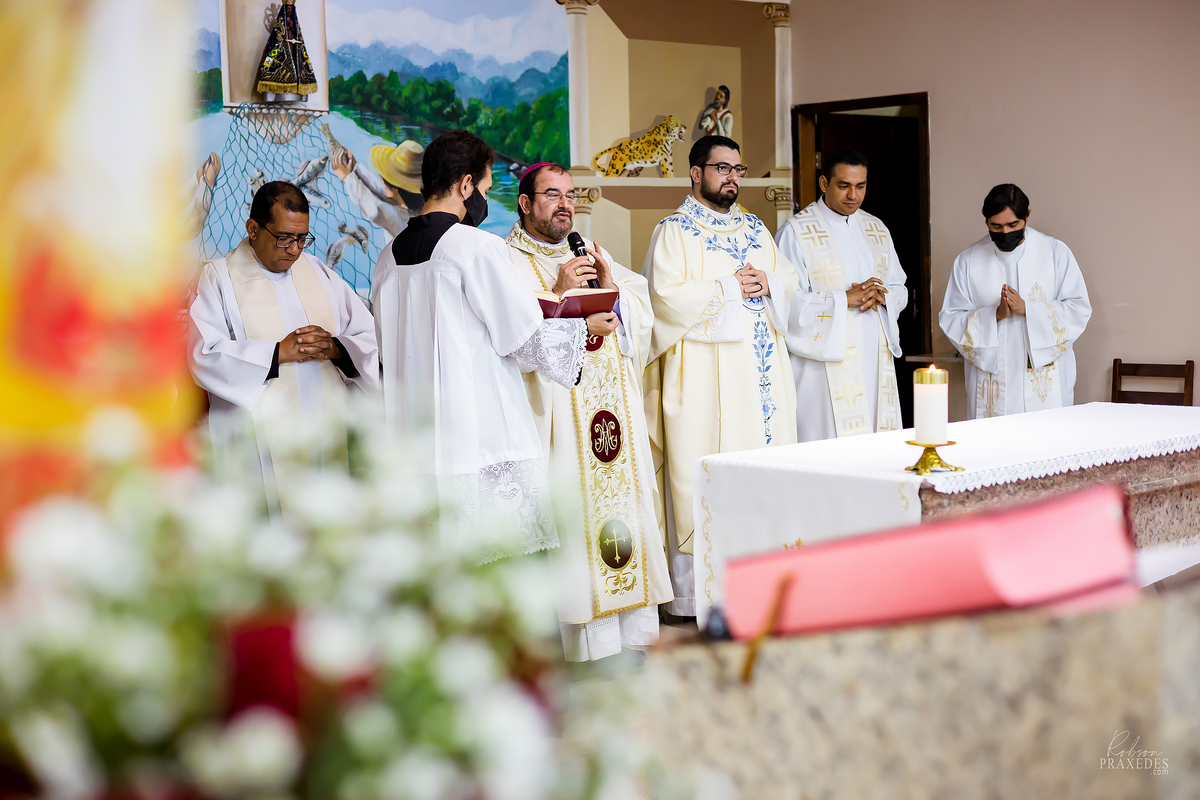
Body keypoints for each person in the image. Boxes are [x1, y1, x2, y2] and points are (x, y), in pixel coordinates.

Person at [373, 130, 594, 563]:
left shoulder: (389, 256)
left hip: (414, 439)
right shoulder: (475, 247)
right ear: (465, 185)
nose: (484, 199)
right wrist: (584, 325)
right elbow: (528, 339)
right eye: (487, 188)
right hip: (479, 437)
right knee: (498, 569)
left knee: (434, 568)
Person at [504, 162, 673, 661]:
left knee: (623, 511)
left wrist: (613, 294)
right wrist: (558, 294)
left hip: (611, 417)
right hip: (562, 424)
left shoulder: (590, 253)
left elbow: (639, 309)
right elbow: (512, 336)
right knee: (576, 518)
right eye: (552, 195)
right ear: (525, 202)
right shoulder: (507, 261)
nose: (565, 205)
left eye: (571, 195)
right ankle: (584, 646)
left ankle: (633, 636)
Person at [643, 135, 798, 616]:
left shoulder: (755, 227)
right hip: (703, 379)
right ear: (695, 173)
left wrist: (769, 283)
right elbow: (665, 298)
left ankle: (762, 586)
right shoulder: (673, 231)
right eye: (722, 168)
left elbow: (791, 280)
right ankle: (698, 597)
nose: (732, 176)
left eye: (738, 168)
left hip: (760, 375)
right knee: (702, 474)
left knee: (762, 472)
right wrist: (732, 287)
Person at [188, 181, 379, 506]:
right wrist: (277, 354)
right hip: (260, 443)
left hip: (326, 427)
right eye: (284, 238)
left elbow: (367, 336)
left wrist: (336, 349)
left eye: (302, 238)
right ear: (253, 229)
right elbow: (203, 354)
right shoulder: (219, 277)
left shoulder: (317, 271)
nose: (294, 249)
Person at [775, 149, 908, 441]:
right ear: (824, 183)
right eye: (844, 185)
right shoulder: (796, 232)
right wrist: (842, 299)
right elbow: (783, 301)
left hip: (874, 353)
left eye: (860, 186)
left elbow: (899, 286)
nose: (853, 195)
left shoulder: (876, 229)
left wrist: (883, 296)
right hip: (824, 365)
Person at [939, 184, 1091, 417]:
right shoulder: (968, 261)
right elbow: (951, 318)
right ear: (986, 221)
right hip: (993, 384)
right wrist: (994, 315)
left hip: (1044, 385)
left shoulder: (1055, 253)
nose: (1005, 233)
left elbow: (1078, 309)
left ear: (1027, 216)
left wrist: (1028, 309)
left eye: (1013, 225)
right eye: (996, 226)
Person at [330, 140, 425, 239]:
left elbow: (376, 210)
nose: (382, 181)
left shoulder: (401, 221)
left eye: (384, 179)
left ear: (395, 189)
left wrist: (347, 178)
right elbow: (381, 191)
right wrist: (355, 168)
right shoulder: (417, 208)